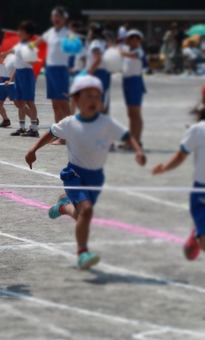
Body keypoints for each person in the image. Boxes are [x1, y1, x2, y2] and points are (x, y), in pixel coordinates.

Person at [25, 76, 145, 269]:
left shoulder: (105, 122)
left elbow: (125, 135)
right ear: (77, 100)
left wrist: (138, 150)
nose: (93, 101)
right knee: (87, 211)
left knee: (82, 214)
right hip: (75, 174)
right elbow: (51, 132)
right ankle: (83, 253)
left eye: (97, 97)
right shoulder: (69, 123)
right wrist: (33, 149)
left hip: (96, 177)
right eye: (88, 96)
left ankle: (63, 206)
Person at [152, 87, 205, 261]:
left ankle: (198, 231)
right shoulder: (198, 130)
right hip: (201, 192)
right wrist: (165, 167)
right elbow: (181, 155)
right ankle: (199, 233)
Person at [31, 6, 71, 145]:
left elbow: (75, 48)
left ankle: (68, 136)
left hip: (61, 70)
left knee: (64, 104)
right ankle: (58, 132)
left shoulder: (68, 33)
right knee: (55, 104)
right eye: (54, 17)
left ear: (64, 19)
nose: (56, 19)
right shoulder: (51, 32)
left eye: (59, 17)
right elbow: (37, 42)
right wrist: (27, 46)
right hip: (51, 70)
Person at [0, 20, 40, 138]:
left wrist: (24, 57)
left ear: (27, 33)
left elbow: (32, 63)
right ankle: (22, 128)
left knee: (29, 102)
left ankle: (34, 129)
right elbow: (13, 51)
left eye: (21, 31)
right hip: (18, 74)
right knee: (20, 102)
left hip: (26, 74)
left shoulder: (30, 46)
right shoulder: (19, 45)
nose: (19, 33)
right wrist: (3, 54)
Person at [118, 30, 146, 148]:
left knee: (136, 113)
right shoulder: (126, 49)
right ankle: (132, 140)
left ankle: (137, 141)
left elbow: (131, 55)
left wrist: (118, 50)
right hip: (127, 82)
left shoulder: (138, 51)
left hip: (135, 81)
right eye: (132, 39)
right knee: (130, 114)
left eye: (137, 39)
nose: (134, 41)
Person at [86, 22, 110, 114]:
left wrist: (88, 74)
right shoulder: (104, 42)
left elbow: (97, 60)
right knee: (100, 101)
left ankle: (100, 126)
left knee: (96, 103)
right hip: (103, 73)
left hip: (96, 73)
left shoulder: (95, 43)